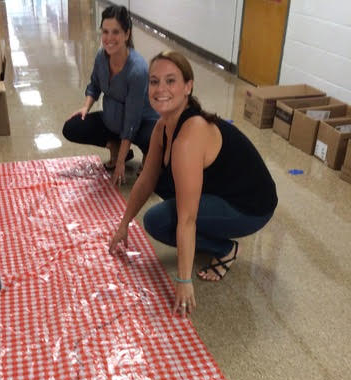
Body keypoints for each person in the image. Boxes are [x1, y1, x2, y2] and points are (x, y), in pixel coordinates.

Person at [109, 50, 277, 315]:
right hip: (223, 191)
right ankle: (210, 236)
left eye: (171, 81)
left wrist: (184, 280)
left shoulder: (189, 136)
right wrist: (123, 225)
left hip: (251, 207)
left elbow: (186, 219)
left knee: (161, 220)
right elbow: (146, 179)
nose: (160, 89)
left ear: (188, 86)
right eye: (154, 81)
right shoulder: (162, 126)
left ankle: (226, 248)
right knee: (160, 202)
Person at [62, 5, 158, 186]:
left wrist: (120, 162)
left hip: (142, 123)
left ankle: (149, 156)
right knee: (72, 126)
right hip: (113, 119)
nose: (109, 38)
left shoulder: (137, 70)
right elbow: (94, 84)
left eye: (115, 32)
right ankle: (115, 145)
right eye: (105, 32)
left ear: (127, 34)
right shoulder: (101, 56)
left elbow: (132, 121)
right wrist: (85, 107)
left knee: (152, 138)